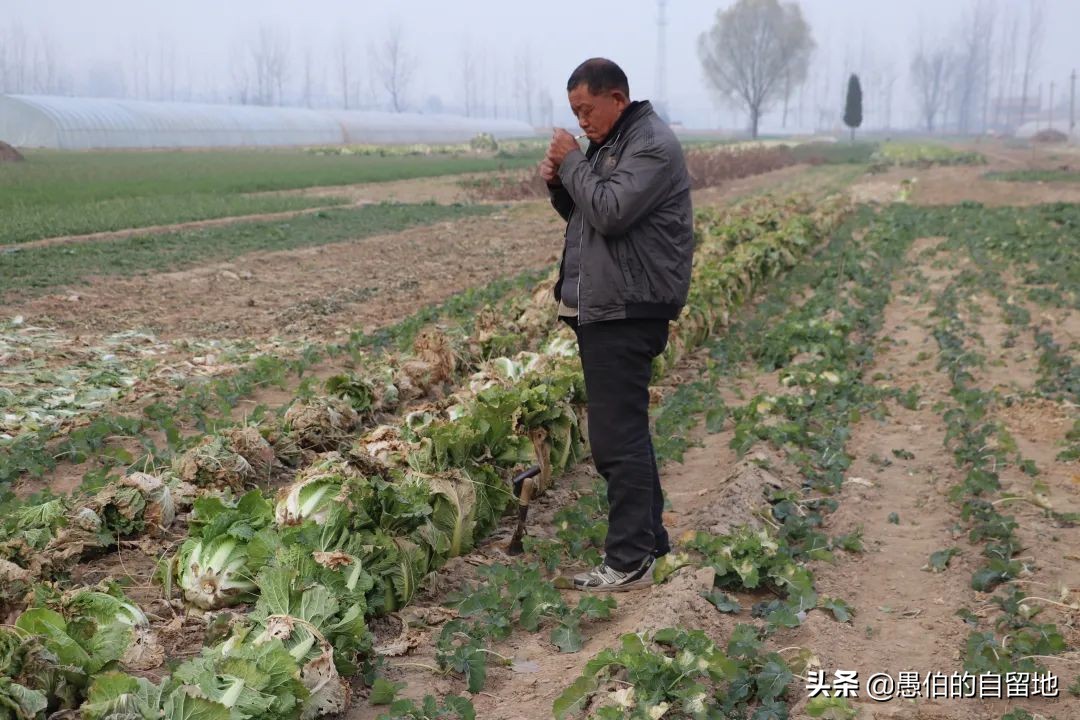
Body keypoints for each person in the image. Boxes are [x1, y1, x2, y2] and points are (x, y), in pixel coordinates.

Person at [540, 58, 694, 591]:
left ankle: (628, 558)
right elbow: (593, 221)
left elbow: (609, 211)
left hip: (629, 308)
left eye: (587, 109)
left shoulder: (650, 144)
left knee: (614, 439)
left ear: (617, 100)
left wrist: (575, 164)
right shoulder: (615, 144)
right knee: (626, 431)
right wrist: (563, 184)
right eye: (574, 112)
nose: (581, 120)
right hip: (610, 306)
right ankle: (649, 543)